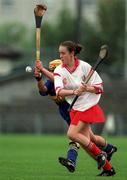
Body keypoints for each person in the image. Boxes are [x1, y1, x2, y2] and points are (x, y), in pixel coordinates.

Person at [34, 58, 117, 175]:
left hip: (78, 109)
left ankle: (74, 160)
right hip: (66, 112)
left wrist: (42, 69)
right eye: (51, 70)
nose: (53, 72)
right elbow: (43, 90)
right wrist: (38, 79)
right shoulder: (52, 81)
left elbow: (58, 80)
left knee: (76, 137)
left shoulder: (65, 78)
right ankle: (108, 151)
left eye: (55, 70)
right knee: (90, 138)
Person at [54, 40, 116, 176]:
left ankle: (101, 155)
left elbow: (100, 88)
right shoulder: (59, 70)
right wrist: (74, 92)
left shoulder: (85, 67)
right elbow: (58, 91)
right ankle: (108, 167)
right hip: (75, 107)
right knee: (89, 139)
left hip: (88, 106)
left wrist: (87, 88)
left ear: (72, 53)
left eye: (63, 53)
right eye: (60, 53)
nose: (60, 56)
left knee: (72, 134)